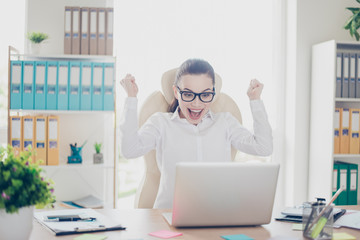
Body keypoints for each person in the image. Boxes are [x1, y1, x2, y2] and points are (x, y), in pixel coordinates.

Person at [120, 58, 273, 209]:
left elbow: (263, 148)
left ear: (212, 93)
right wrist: (131, 98)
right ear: (176, 92)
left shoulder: (225, 122)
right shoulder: (161, 123)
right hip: (169, 216)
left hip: (216, 217)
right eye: (188, 94)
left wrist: (255, 100)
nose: (196, 103)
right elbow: (130, 150)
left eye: (205, 95)